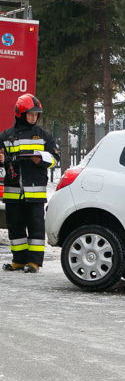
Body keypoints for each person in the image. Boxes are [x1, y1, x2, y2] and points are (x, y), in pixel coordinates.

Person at [0, 94, 60, 273]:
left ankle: (34, 263)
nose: (34, 118)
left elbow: (56, 159)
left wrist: (41, 159)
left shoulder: (43, 136)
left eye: (36, 114)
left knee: (36, 228)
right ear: (20, 113)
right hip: (13, 191)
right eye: (31, 114)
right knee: (15, 227)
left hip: (35, 192)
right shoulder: (5, 135)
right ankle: (18, 261)